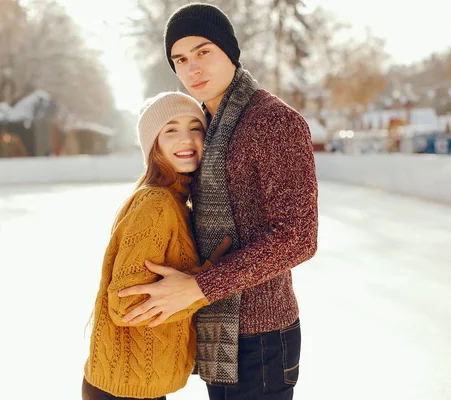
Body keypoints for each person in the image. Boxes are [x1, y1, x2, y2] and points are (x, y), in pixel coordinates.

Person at [118, 3, 319, 399]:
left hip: (261, 338)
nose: (193, 68)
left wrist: (200, 287)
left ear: (230, 51)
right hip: (219, 332)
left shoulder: (273, 121)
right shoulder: (209, 127)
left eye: (203, 51)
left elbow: (298, 237)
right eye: (180, 58)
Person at [83, 91, 231, 400]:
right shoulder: (157, 204)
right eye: (171, 130)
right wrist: (205, 283)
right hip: (123, 391)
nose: (186, 139)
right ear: (154, 144)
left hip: (136, 384)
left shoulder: (176, 203)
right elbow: (127, 305)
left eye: (195, 127)